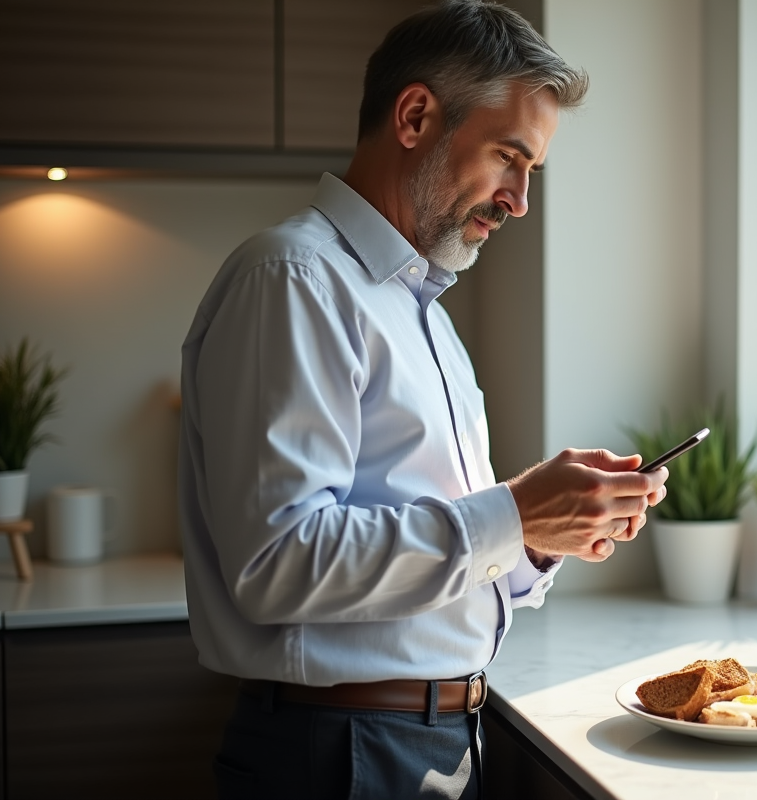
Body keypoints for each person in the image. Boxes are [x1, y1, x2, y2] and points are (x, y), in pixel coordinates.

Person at [176, 2, 668, 798]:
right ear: (414, 117)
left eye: (532, 171)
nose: (520, 200)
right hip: (339, 753)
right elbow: (276, 564)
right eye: (509, 157)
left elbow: (445, 562)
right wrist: (512, 513)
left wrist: (544, 534)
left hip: (424, 741)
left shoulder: (422, 317)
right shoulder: (294, 279)